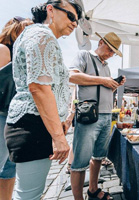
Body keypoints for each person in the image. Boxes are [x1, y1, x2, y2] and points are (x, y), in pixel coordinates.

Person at [4, 1, 82, 199]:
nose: (75, 24)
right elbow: (38, 87)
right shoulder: (42, 35)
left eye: (77, 21)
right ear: (51, 10)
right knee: (29, 196)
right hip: (34, 124)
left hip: (33, 123)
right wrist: (58, 137)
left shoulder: (37, 35)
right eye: (71, 16)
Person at [69, 32, 126, 200]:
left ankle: (93, 189)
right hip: (90, 116)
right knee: (80, 162)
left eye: (113, 52)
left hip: (107, 115)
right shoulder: (84, 55)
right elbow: (72, 76)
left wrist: (114, 84)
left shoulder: (106, 66)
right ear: (100, 42)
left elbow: (103, 88)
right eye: (109, 50)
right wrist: (103, 80)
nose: (110, 54)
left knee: (99, 156)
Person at [0, 16, 33, 200]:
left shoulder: (24, 58)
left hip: (15, 117)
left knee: (10, 167)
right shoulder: (4, 50)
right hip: (2, 115)